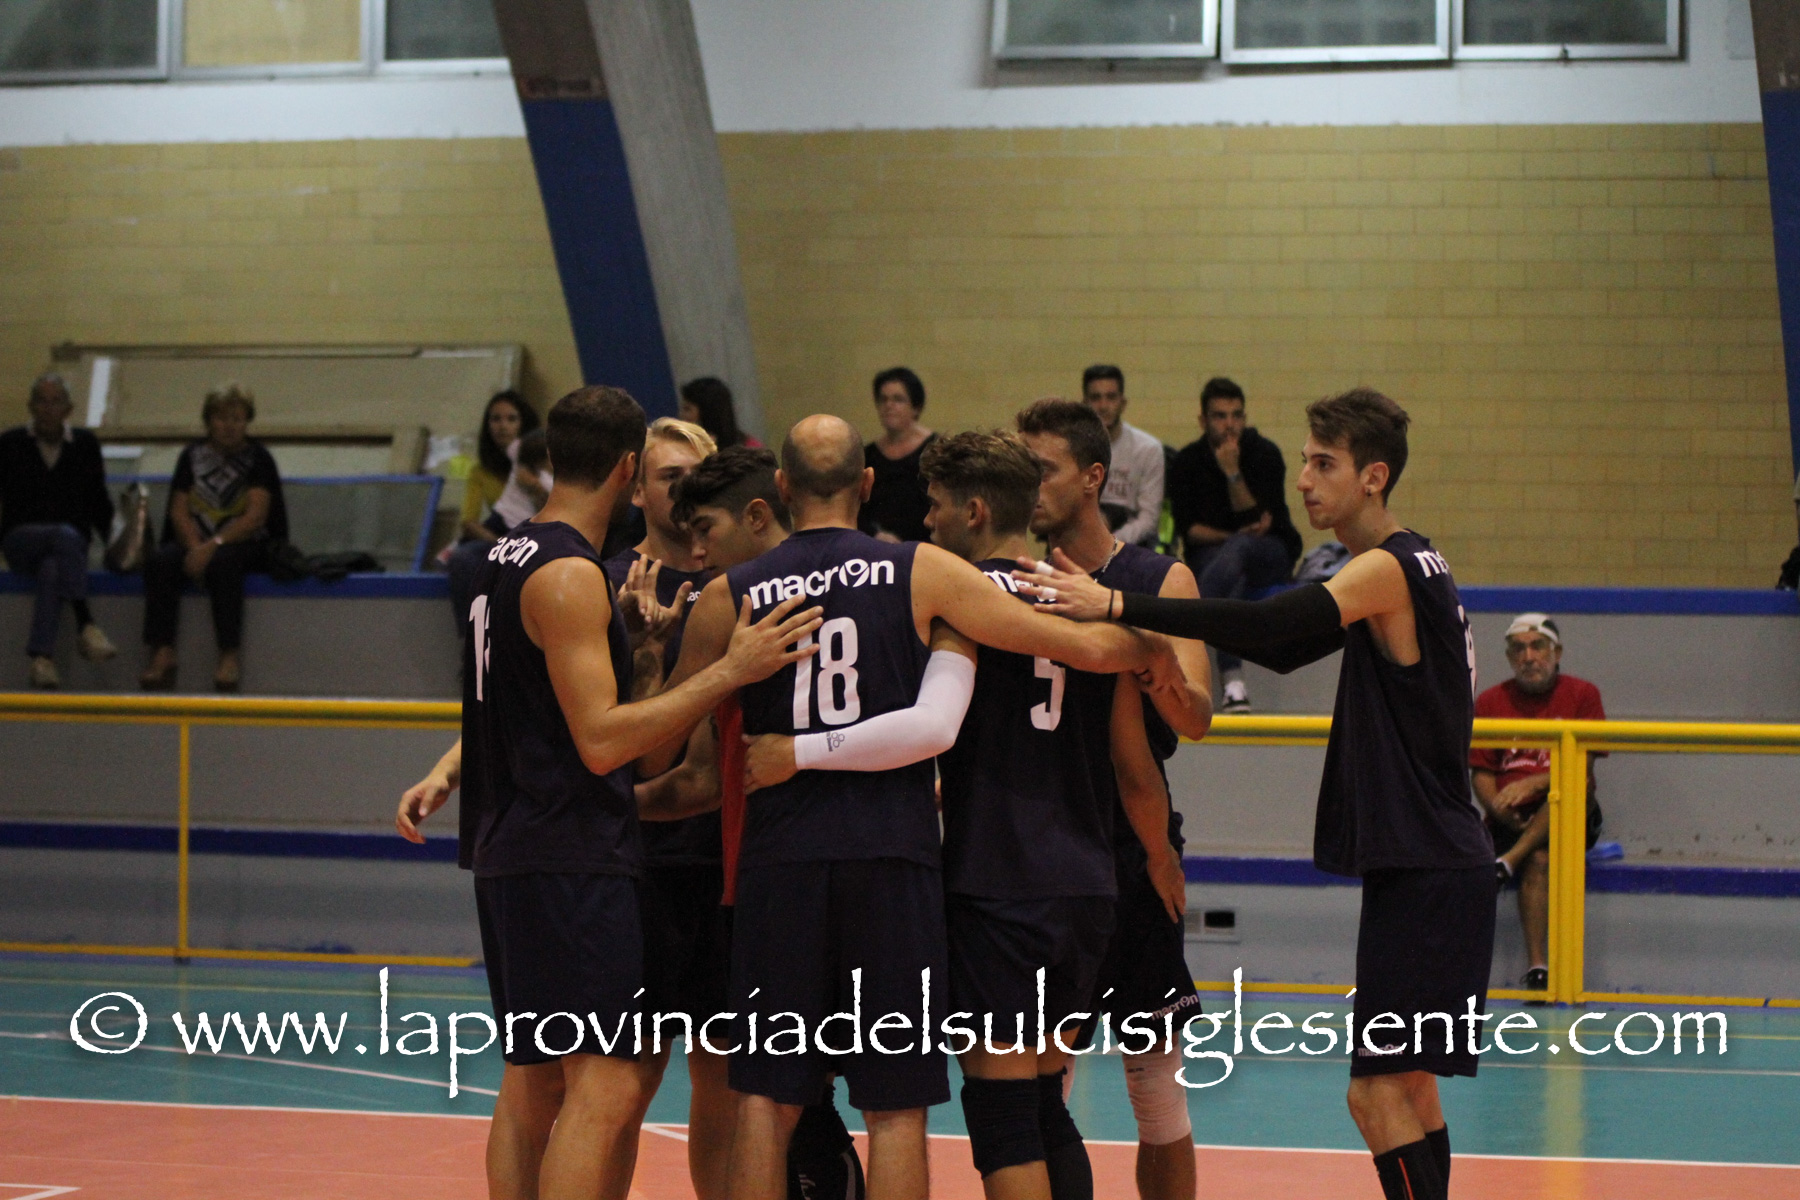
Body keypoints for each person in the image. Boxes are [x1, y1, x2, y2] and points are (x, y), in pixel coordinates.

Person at [654, 415, 1176, 1200]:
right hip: (908, 865)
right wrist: (1148, 642)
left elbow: (656, 747)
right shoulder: (923, 573)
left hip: (788, 861)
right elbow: (1081, 662)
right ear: (868, 483)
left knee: (767, 1097)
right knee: (903, 1106)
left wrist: (690, 678)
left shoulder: (730, 593)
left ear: (783, 488)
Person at [1021, 388, 1493, 1200]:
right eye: (1305, 462)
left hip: (1430, 862)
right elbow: (1283, 650)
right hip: (1438, 858)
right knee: (1412, 1091)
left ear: (1374, 477)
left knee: (1375, 1094)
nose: (1304, 480)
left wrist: (1118, 603)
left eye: (1323, 464)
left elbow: (1272, 629)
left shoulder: (1385, 567)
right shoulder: (1420, 563)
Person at [395, 384, 823, 1200]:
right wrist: (728, 669)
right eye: (664, 475)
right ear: (630, 473)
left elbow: (530, 703)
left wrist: (455, 768)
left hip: (540, 847)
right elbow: (602, 741)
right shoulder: (576, 575)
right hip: (580, 852)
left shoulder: (501, 560)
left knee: (554, 1076)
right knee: (605, 1082)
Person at [1013, 398, 1211, 1200]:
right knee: (1039, 1083)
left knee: (1156, 1087)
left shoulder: (1159, 579)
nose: (1028, 486)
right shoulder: (1007, 581)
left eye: (1042, 470)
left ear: (1093, 477)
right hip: (1038, 851)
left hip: (1132, 846)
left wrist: (1147, 653)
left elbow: (1196, 716)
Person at [1471, 613, 1606, 996]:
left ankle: (1509, 861)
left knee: (1570, 788)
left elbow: (1584, 768)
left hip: (1570, 811)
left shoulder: (1583, 694)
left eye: (1537, 647)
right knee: (1539, 859)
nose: (1528, 657)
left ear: (1556, 652)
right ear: (1509, 658)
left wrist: (1534, 782)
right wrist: (1497, 808)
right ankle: (1537, 968)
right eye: (1518, 649)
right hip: (1507, 818)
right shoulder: (1490, 701)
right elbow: (1481, 773)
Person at [139, 384, 288, 693]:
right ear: (209, 421)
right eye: (222, 418)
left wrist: (212, 546)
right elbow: (178, 510)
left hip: (244, 543)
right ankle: (162, 650)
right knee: (162, 561)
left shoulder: (258, 458)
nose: (229, 426)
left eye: (237, 418)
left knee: (224, 563)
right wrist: (195, 548)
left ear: (246, 421)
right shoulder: (191, 456)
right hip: (197, 540)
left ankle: (228, 654)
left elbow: (255, 516)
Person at [1167, 378, 1302, 714]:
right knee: (1234, 575)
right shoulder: (1187, 461)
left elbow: (1258, 522)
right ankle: (1233, 684)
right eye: (1220, 416)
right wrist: (1234, 537)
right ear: (1203, 420)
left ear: (1245, 417)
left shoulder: (1264, 453)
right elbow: (1190, 531)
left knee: (1240, 550)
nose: (1230, 424)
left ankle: (1179, 631)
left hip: (1269, 553)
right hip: (1214, 558)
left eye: (1236, 415)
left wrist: (1232, 473)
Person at [0, 372, 116, 688]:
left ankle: (42, 659)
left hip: (68, 548)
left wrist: (116, 547)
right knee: (64, 535)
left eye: (56, 402)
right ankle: (86, 623)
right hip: (21, 539)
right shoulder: (10, 444)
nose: (48, 409)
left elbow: (98, 502)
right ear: (30, 407)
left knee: (52, 569)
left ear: (68, 409)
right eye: (42, 401)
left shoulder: (85, 445)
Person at [1081, 366, 1165, 549]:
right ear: (1084, 403)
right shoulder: (1073, 449)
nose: (1103, 406)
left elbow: (1148, 519)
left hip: (1132, 545)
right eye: (1096, 398)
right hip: (1081, 538)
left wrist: (1107, 544)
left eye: (1111, 397)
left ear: (1123, 403)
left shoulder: (1148, 449)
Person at [859, 367, 936, 543]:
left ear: (916, 407)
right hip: (878, 547)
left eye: (898, 399)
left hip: (926, 546)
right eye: (883, 399)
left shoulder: (936, 450)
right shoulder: (867, 455)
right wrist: (875, 534)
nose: (889, 405)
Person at [460, 391, 539, 546]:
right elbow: (468, 521)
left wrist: (534, 487)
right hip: (500, 538)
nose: (503, 426)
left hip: (537, 534)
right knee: (463, 555)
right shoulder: (480, 471)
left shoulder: (541, 464)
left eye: (511, 419)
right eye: (496, 419)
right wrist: (501, 545)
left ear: (523, 424)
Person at [679, 377, 761, 449]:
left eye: (687, 409)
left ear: (707, 413)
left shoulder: (750, 449)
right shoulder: (684, 448)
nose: (681, 415)